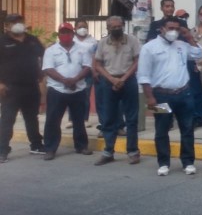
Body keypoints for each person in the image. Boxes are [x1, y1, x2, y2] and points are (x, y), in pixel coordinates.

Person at [137, 16, 202, 176]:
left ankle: (188, 162)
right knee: (161, 129)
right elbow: (143, 75)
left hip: (184, 94)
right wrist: (150, 98)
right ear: (162, 29)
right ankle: (163, 163)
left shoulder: (182, 45)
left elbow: (197, 53)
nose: (173, 32)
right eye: (170, 28)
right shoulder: (149, 47)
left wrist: (188, 36)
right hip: (160, 95)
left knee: (187, 129)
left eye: (176, 28)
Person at [93, 16, 141, 165]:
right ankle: (108, 151)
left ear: (123, 25)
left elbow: (137, 61)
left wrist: (124, 78)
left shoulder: (132, 40)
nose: (116, 29)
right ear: (108, 28)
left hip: (128, 80)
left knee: (131, 118)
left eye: (119, 26)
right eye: (113, 27)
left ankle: (132, 151)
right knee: (108, 118)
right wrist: (112, 79)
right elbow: (98, 64)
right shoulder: (102, 43)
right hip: (108, 82)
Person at [41, 22, 93, 160]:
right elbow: (48, 69)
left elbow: (87, 67)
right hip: (57, 90)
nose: (65, 35)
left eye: (68, 32)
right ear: (59, 34)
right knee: (52, 120)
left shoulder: (83, 49)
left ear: (73, 33)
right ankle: (50, 149)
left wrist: (75, 80)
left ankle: (81, 146)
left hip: (78, 89)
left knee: (79, 120)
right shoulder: (51, 50)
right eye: (62, 32)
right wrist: (65, 81)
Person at [0, 13, 45, 162]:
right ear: (6, 26)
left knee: (32, 118)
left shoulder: (32, 40)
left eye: (20, 21)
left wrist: (41, 76)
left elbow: (43, 55)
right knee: (7, 120)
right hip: (10, 88)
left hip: (31, 85)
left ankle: (36, 145)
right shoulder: (2, 41)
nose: (18, 24)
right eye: (13, 22)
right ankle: (2, 150)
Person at [68, 18, 97, 130]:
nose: (82, 29)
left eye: (84, 26)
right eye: (80, 27)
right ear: (75, 28)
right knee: (71, 95)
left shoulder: (92, 41)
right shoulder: (71, 40)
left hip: (87, 72)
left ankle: (85, 119)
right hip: (74, 72)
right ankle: (71, 120)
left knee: (85, 96)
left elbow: (95, 57)